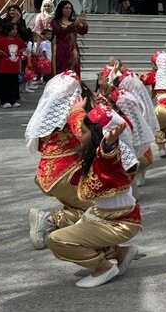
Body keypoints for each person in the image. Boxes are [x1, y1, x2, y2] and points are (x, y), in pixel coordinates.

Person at [46, 102, 141, 288]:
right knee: (74, 222)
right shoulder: (91, 151)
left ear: (98, 135)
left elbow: (108, 156)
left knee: (57, 240)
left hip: (119, 223)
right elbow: (80, 123)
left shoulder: (107, 157)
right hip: (103, 216)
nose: (79, 135)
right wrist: (76, 110)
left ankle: (103, 268)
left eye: (84, 131)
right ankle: (121, 253)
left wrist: (109, 144)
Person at [25, 72, 91, 250]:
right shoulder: (72, 113)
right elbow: (85, 137)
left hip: (46, 173)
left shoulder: (47, 117)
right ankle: (50, 220)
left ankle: (56, 219)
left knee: (80, 205)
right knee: (104, 209)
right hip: (68, 175)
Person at [50, 0, 88, 78]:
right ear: (61, 9)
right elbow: (60, 31)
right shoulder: (55, 22)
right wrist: (74, 24)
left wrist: (84, 24)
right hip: (60, 50)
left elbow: (82, 31)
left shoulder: (73, 22)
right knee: (61, 72)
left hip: (73, 51)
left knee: (74, 72)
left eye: (70, 8)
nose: (68, 10)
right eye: (66, 8)